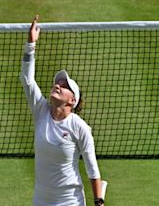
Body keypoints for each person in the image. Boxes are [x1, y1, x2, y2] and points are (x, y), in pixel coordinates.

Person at [20, 15, 105, 206]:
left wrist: (99, 201)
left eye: (64, 85)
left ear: (72, 100)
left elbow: (92, 167)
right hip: (41, 200)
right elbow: (27, 80)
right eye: (57, 82)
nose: (58, 85)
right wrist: (30, 45)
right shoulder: (40, 110)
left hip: (70, 201)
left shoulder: (79, 127)